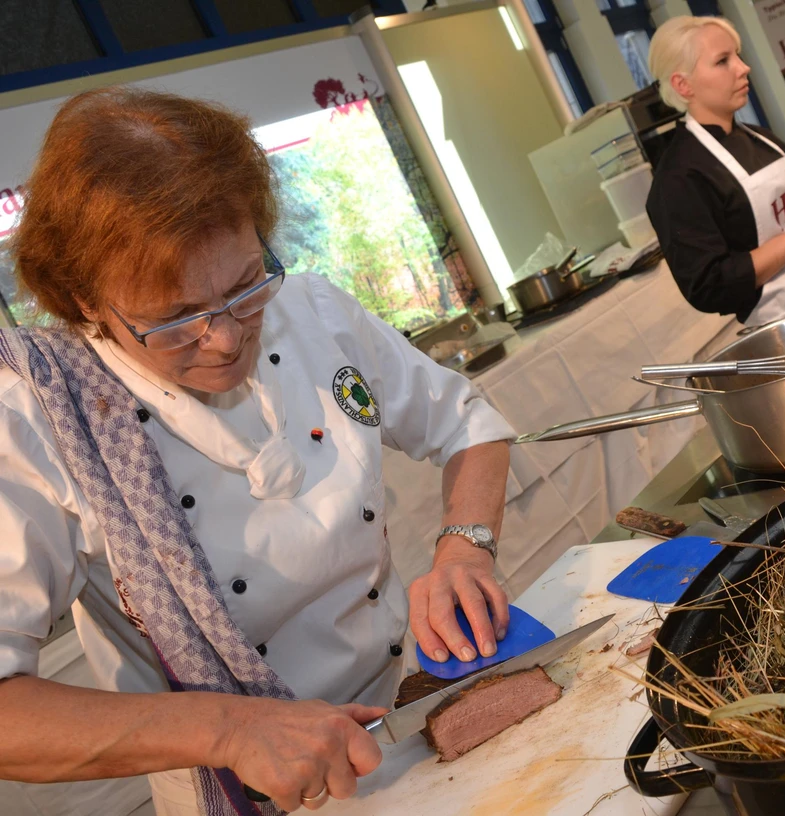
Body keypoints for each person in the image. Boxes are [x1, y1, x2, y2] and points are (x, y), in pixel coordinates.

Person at [0, 88, 516, 815]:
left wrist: (465, 548)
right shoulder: (42, 419)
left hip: (414, 707)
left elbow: (469, 425)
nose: (226, 337)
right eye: (177, 318)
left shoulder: (314, 311)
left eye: (245, 287)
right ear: (84, 298)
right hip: (250, 788)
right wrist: (232, 728)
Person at [645, 16, 785, 326]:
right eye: (722, 61)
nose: (744, 68)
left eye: (738, 56)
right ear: (683, 84)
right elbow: (709, 286)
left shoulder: (764, 139)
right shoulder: (678, 178)